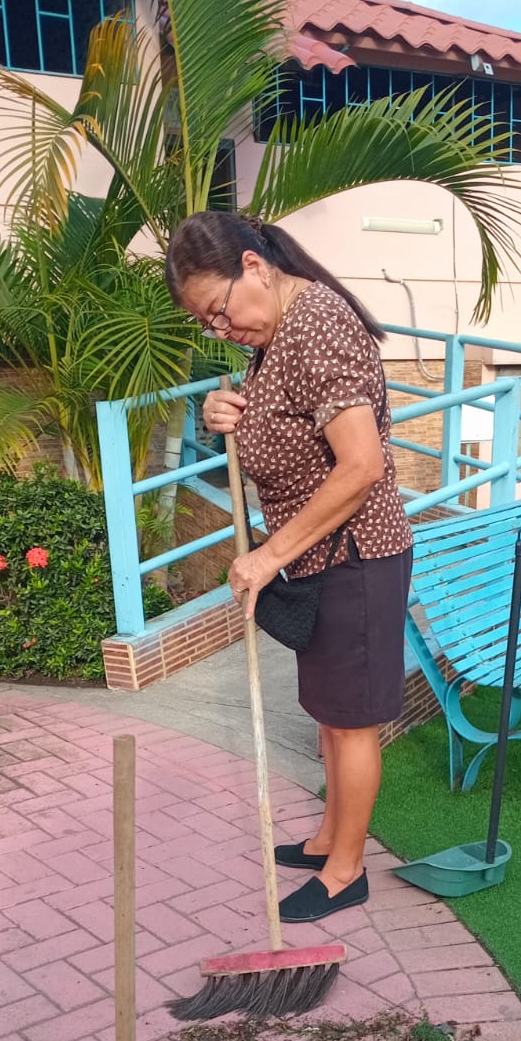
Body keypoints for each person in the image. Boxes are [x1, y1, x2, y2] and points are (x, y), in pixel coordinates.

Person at [165, 211, 413, 924]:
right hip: (318, 555)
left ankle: (346, 871)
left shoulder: (319, 323)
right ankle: (330, 837)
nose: (222, 330)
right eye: (207, 325)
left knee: (352, 720)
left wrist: (267, 556)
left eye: (220, 311)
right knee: (331, 714)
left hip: (355, 556)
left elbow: (360, 466)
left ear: (253, 265)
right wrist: (224, 411)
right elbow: (284, 423)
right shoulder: (276, 332)